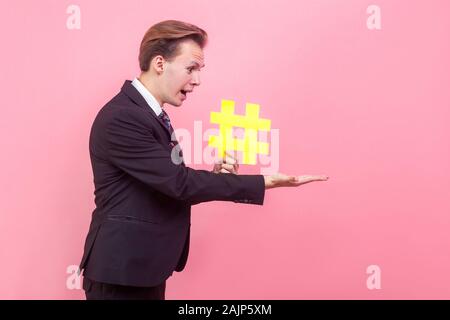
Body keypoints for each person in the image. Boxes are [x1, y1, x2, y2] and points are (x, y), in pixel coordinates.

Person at [79, 20, 328, 300]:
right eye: (191, 69)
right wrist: (263, 182)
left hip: (140, 269)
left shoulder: (148, 114)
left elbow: (167, 185)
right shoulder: (123, 117)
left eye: (199, 70)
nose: (197, 80)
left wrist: (216, 177)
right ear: (160, 63)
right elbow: (179, 184)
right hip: (120, 273)